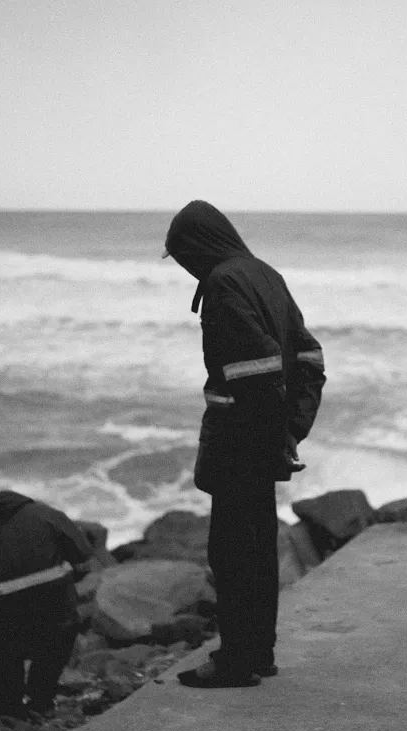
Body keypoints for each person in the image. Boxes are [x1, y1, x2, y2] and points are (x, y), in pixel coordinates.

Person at [163, 200, 325, 688]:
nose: (187, 269)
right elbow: (310, 358)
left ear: (197, 247)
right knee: (257, 551)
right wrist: (292, 430)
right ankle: (259, 654)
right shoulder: (266, 275)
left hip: (240, 442)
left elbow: (255, 369)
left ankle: (236, 661)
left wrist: (272, 437)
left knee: (232, 555)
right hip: (264, 439)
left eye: (183, 256)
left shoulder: (224, 284)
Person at [0, 490, 94, 717]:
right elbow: (83, 553)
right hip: (56, 607)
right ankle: (41, 701)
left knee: (1, 653)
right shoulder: (46, 513)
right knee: (55, 644)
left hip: (5, 616)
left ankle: (8, 710)